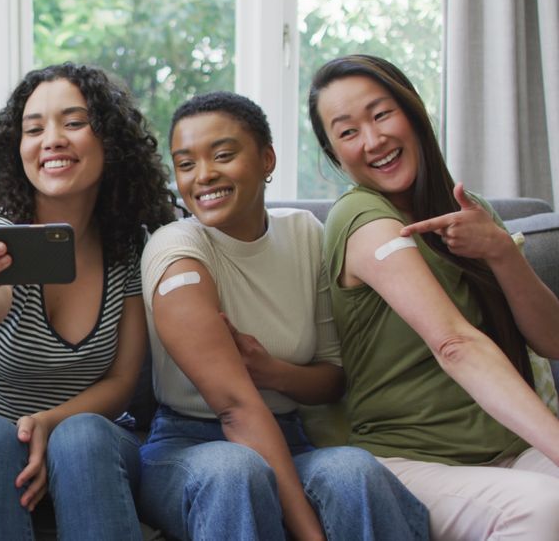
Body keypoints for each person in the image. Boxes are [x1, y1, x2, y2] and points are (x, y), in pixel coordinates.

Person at [137, 91, 428, 541]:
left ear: (267, 159)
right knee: (236, 471)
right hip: (187, 445)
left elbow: (332, 377)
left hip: (292, 438)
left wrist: (271, 372)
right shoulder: (175, 248)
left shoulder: (306, 233)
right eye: (186, 163)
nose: (203, 175)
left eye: (223, 155)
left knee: (353, 470)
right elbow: (235, 409)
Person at [0, 62, 176, 540]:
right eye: (33, 128)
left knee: (81, 433)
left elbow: (122, 380)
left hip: (87, 448)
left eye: (74, 123)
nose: (52, 139)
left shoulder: (130, 248)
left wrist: (47, 423)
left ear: (110, 140)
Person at [308, 53, 559, 539]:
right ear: (335, 154)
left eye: (381, 114)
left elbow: (552, 340)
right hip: (412, 463)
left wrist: (502, 252)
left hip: (511, 451)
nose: (374, 140)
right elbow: (454, 344)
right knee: (543, 509)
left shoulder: (471, 211)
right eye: (347, 131)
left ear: (413, 111)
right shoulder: (360, 217)